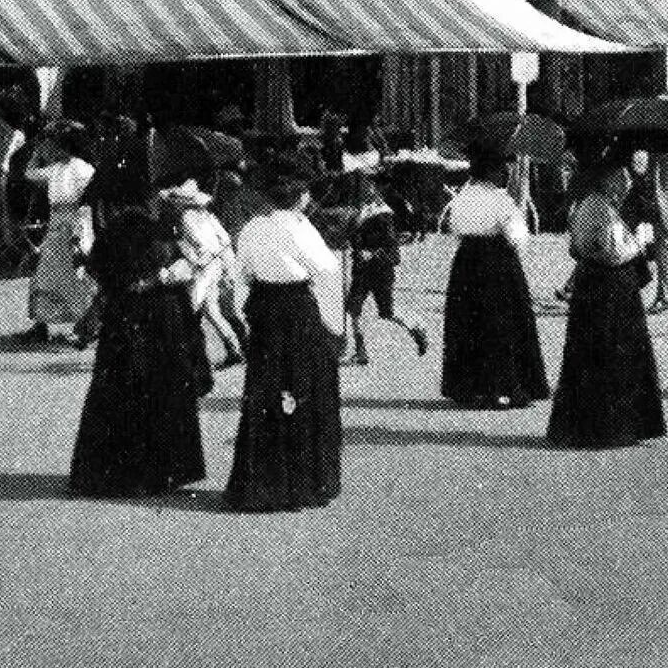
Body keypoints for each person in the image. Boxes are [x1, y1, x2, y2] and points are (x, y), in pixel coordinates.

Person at [66, 188, 207, 498]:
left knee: (118, 388)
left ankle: (114, 470)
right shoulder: (164, 230)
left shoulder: (112, 233)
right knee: (163, 386)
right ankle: (164, 468)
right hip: (162, 317)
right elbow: (191, 264)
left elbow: (96, 272)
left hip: (123, 316)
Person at [224, 153, 343, 513]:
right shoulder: (299, 228)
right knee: (303, 386)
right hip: (296, 310)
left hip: (264, 308)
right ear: (301, 196)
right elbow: (326, 268)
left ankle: (262, 482)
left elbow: (240, 274)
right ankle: (303, 481)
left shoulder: (252, 228)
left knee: (267, 389)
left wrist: (247, 312)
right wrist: (334, 326)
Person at [547, 159, 665, 449]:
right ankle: (611, 426)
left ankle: (581, 426)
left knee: (587, 355)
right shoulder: (601, 208)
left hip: (590, 284)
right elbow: (613, 252)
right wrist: (639, 241)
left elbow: (575, 247)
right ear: (608, 179)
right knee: (614, 353)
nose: (626, 183)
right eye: (621, 177)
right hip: (611, 289)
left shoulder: (588, 204)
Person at [438, 148, 547, 410]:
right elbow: (519, 237)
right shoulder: (501, 200)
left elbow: (453, 227)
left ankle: (466, 385)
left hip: (466, 262)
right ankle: (501, 386)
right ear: (491, 171)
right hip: (498, 263)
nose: (506, 173)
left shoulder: (462, 197)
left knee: (468, 322)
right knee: (500, 324)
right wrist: (516, 212)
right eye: (502, 168)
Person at [327, 152, 427, 367]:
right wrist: (348, 240)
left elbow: (392, 250)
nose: (366, 189)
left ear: (378, 189)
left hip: (380, 271)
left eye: (370, 185)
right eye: (365, 185)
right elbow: (353, 237)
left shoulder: (384, 215)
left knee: (387, 312)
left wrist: (371, 253)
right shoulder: (360, 212)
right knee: (352, 310)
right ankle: (361, 351)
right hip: (361, 270)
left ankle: (416, 327)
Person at [19, 121, 99, 348]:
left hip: (74, 225)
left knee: (77, 275)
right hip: (55, 226)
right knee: (45, 273)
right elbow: (30, 173)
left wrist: (80, 232)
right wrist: (36, 154)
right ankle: (41, 325)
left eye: (55, 146)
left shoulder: (83, 168)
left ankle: (85, 325)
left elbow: (87, 201)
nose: (51, 150)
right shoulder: (55, 169)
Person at [168, 178, 244, 371]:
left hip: (202, 269)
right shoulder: (208, 216)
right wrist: (227, 267)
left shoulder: (184, 218)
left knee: (189, 310)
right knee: (212, 310)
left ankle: (179, 358)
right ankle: (234, 348)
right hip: (215, 265)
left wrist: (196, 261)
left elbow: (198, 246)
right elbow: (225, 240)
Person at [625, 147, 668, 311]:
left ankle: (665, 297)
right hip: (646, 198)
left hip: (667, 204)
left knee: (665, 247)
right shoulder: (652, 137)